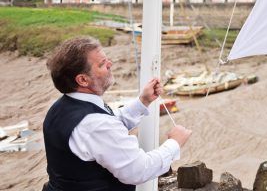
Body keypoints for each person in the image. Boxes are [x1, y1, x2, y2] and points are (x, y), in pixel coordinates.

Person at [43, 37, 192, 190]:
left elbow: (109, 123)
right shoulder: (96, 124)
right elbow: (139, 170)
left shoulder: (59, 108)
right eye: (102, 64)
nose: (110, 64)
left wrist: (142, 102)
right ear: (83, 79)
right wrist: (175, 143)